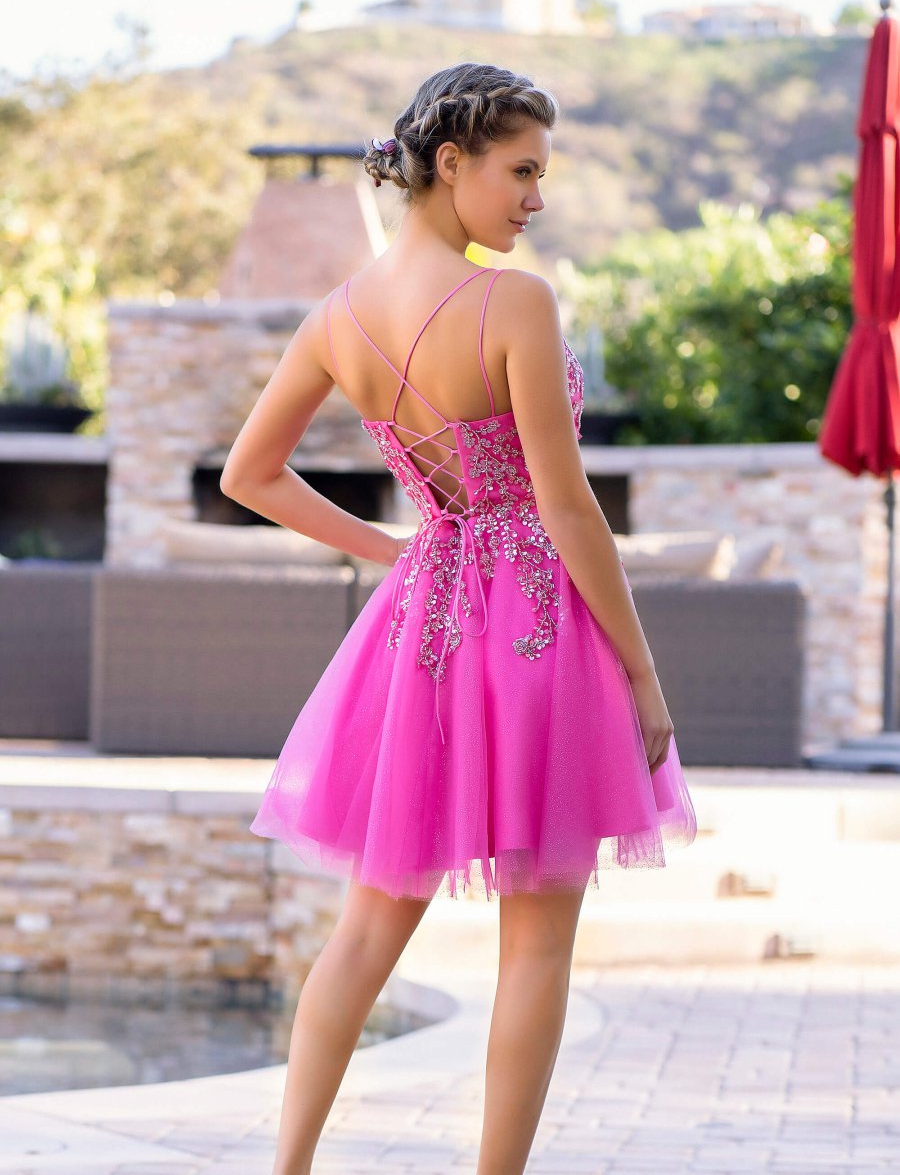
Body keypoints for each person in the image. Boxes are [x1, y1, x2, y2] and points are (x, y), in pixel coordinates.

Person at [220, 60, 697, 1175]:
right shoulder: (513, 302)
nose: (538, 197)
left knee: (365, 930)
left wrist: (395, 549)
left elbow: (251, 474)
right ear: (450, 162)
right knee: (536, 943)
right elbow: (567, 509)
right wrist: (642, 675)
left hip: (421, 627)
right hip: (536, 629)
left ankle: (286, 1167)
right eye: (522, 171)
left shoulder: (338, 318)